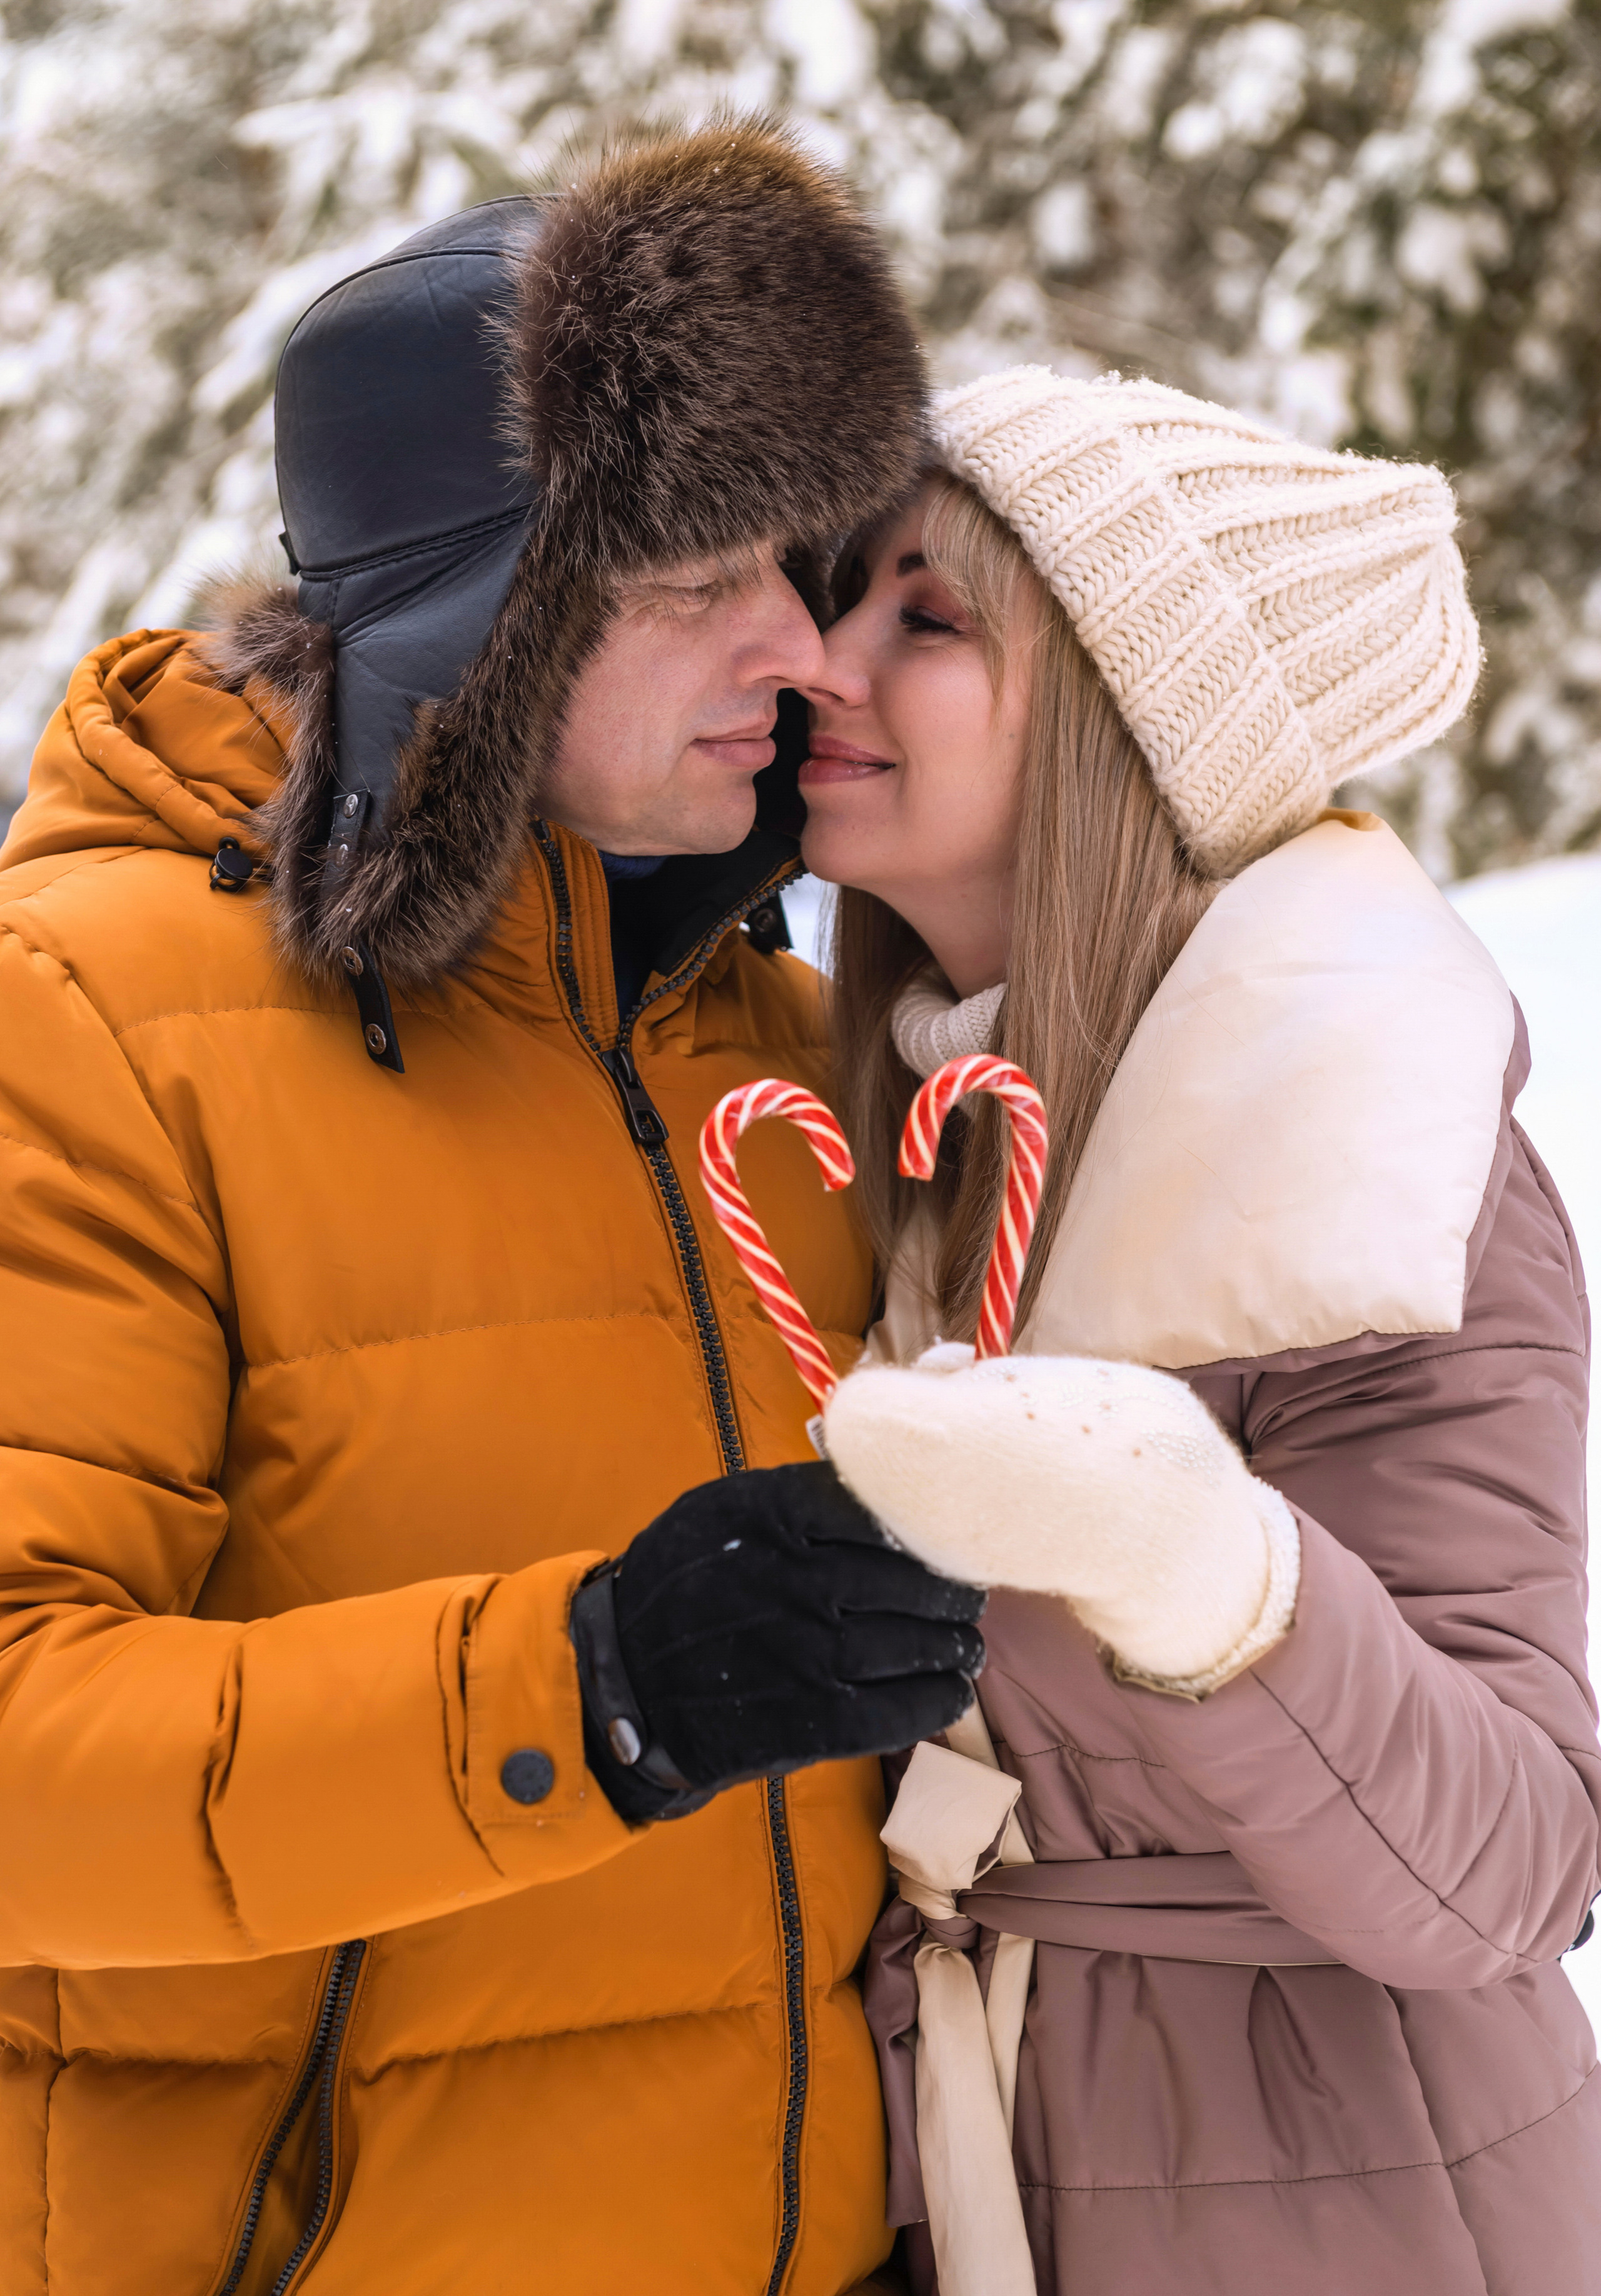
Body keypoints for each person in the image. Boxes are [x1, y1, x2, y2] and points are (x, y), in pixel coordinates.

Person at [0, 124, 988, 2296]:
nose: (810, 653)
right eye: (689, 582)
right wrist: (598, 1688)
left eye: (805, 561)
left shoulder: (790, 1046)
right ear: (480, 621)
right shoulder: (87, 1027)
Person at [800, 366, 1600, 2294]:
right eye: (844, 592)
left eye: (929, 619)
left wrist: (1213, 1576)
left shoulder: (1368, 1160)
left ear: (1119, 728)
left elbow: (1516, 1862)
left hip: (1347, 2184)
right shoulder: (893, 1140)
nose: (822, 660)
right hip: (967, 2154)